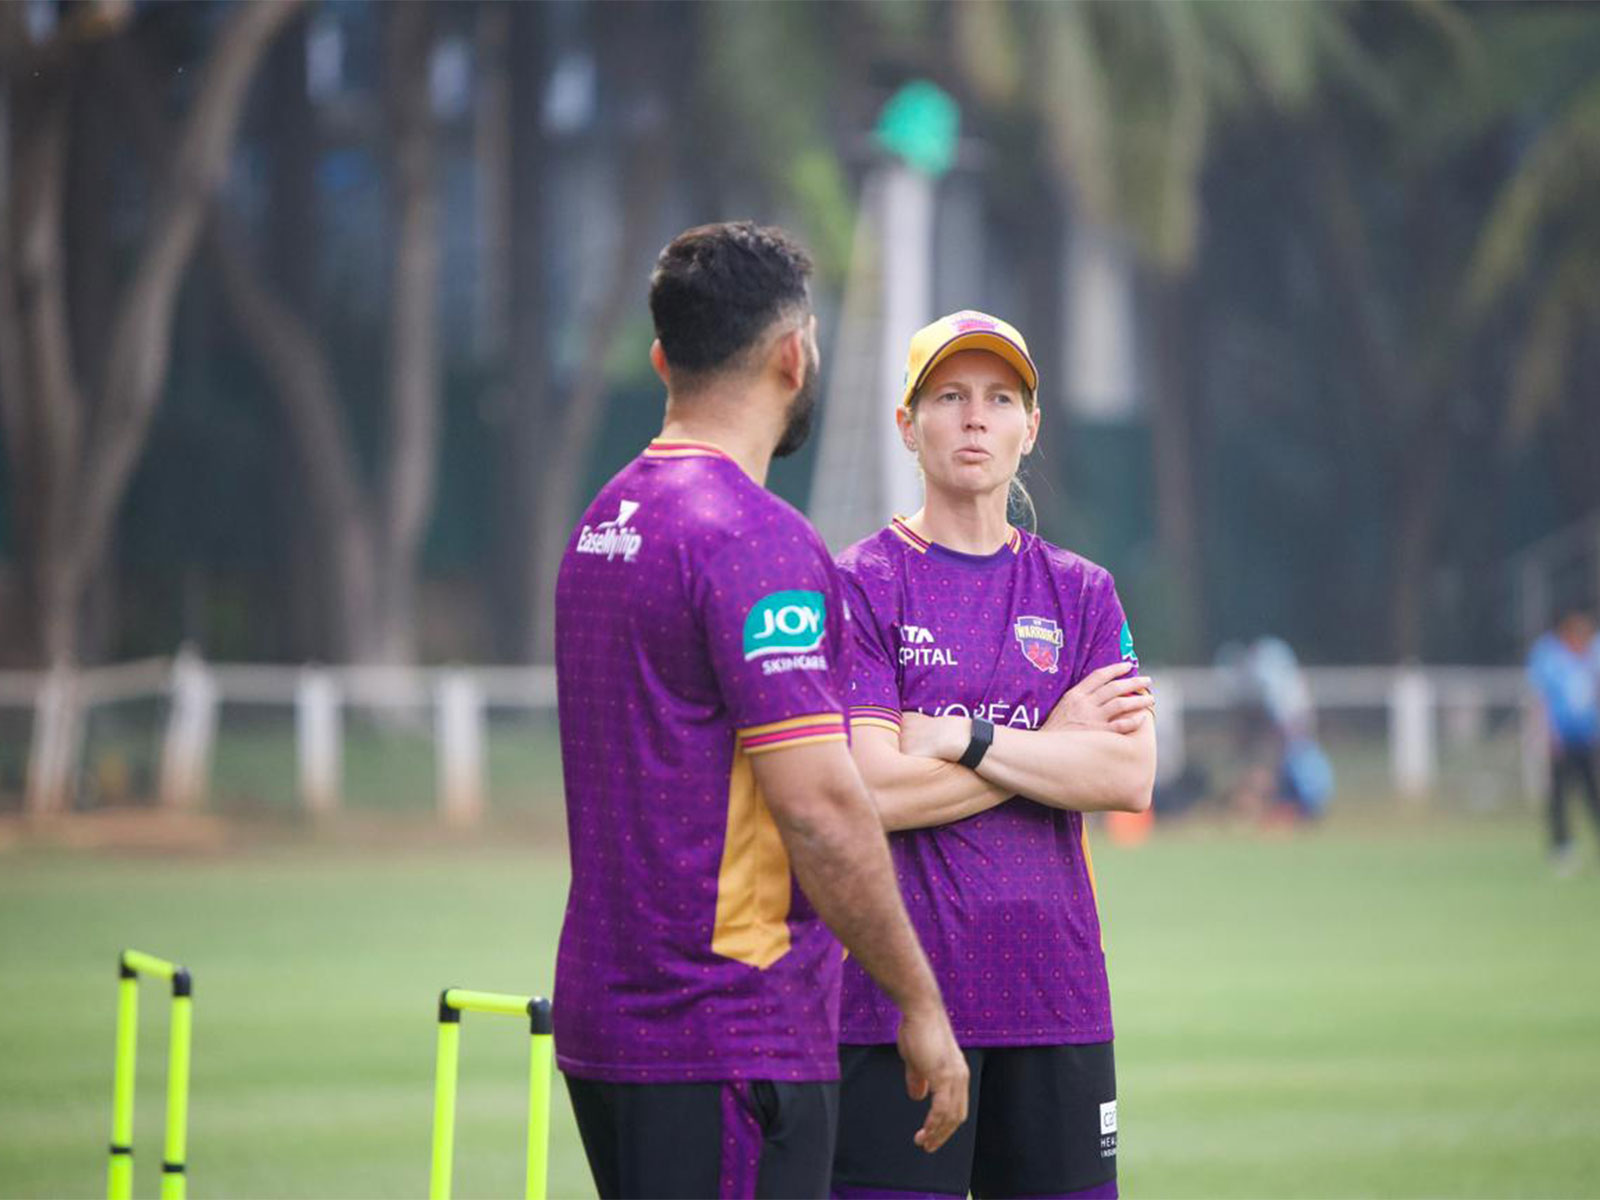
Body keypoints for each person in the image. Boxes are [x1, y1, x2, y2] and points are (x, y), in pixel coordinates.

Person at [552, 222, 968, 1198]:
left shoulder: (603, 520)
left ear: (663, 359)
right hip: (725, 1032)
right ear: (794, 356)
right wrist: (918, 1002)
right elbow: (820, 805)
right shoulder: (755, 541)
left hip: (606, 1027)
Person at [829, 311, 1157, 1200]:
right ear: (908, 423)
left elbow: (1126, 776)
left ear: (1031, 426)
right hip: (897, 1011)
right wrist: (1050, 749)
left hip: (1058, 1001)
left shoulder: (1083, 591)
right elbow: (868, 788)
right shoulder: (862, 582)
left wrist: (968, 737)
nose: (976, 418)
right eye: (950, 396)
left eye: (1000, 398)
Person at [1526, 606, 1600, 874]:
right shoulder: (1548, 654)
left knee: (1594, 792)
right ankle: (1562, 847)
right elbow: (1540, 698)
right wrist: (1545, 734)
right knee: (1559, 794)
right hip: (1559, 739)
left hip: (1589, 736)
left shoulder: (1593, 651)